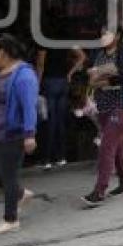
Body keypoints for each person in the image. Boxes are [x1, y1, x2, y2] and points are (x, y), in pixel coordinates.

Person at [0, 34, 39, 235]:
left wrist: (29, 134)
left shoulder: (24, 75)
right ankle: (20, 194)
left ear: (4, 52)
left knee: (8, 176)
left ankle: (10, 219)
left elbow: (29, 107)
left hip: (10, 134)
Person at [80, 27, 123, 207]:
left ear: (117, 35)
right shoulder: (99, 53)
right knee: (116, 145)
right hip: (104, 106)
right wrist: (93, 77)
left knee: (106, 146)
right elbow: (89, 73)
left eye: (106, 33)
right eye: (101, 33)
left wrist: (101, 79)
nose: (102, 36)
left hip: (122, 106)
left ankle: (99, 191)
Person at [35, 22, 76, 170]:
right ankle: (61, 157)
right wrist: (70, 74)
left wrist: (37, 84)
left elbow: (40, 64)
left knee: (49, 121)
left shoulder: (44, 42)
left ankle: (46, 159)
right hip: (63, 83)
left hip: (49, 83)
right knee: (60, 121)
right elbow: (82, 56)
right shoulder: (65, 42)